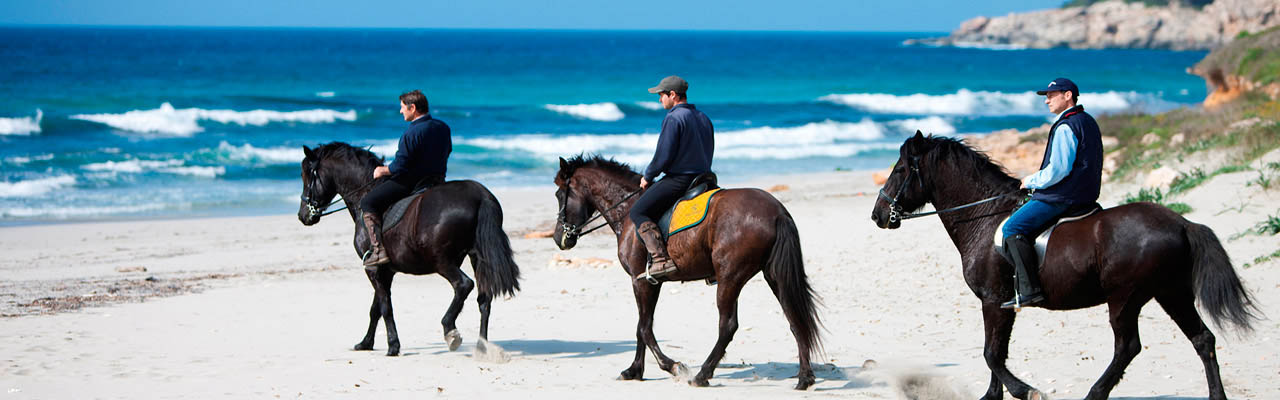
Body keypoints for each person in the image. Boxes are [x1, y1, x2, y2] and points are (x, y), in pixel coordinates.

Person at [1001, 78, 1103, 309]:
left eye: (1052, 95)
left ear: (1068, 96)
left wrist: (1030, 181)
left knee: (1012, 228)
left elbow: (1058, 170)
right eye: (1046, 96)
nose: (1046, 100)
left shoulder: (1066, 126)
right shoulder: (1087, 120)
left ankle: (1029, 291)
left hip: (1062, 196)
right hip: (1086, 194)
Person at [630, 75, 715, 283]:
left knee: (638, 211)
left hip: (680, 180)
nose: (660, 100)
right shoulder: (703, 117)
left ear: (673, 95)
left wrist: (648, 176)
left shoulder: (674, 118)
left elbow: (663, 156)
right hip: (705, 178)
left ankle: (660, 259)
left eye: (661, 95)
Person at [359, 90, 452, 270]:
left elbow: (399, 167)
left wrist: (382, 170)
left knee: (368, 202)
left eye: (402, 107)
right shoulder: (443, 127)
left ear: (413, 108)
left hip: (412, 182)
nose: (401, 111)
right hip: (438, 179)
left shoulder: (411, 133)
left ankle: (379, 251)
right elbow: (447, 151)